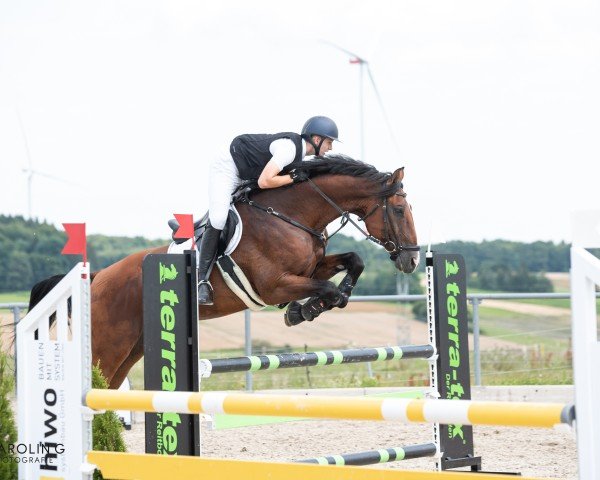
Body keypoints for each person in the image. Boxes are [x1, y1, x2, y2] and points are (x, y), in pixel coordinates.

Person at [198, 115, 340, 305]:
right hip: (228, 168)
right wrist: (293, 178)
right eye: (329, 142)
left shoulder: (300, 156)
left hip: (247, 174)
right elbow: (265, 181)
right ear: (316, 139)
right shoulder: (289, 150)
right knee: (219, 218)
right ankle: (202, 281)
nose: (330, 148)